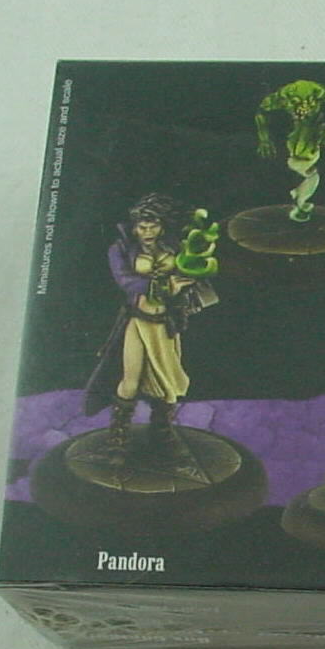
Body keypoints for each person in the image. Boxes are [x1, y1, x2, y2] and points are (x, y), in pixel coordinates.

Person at [84, 193, 215, 465]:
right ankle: (117, 440)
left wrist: (192, 272)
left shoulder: (173, 246)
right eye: (142, 227)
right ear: (134, 227)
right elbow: (125, 281)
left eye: (152, 226)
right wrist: (165, 286)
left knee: (168, 382)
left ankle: (162, 434)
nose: (147, 232)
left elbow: (191, 268)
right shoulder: (121, 249)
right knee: (130, 380)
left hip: (166, 324)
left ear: (161, 226)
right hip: (139, 321)